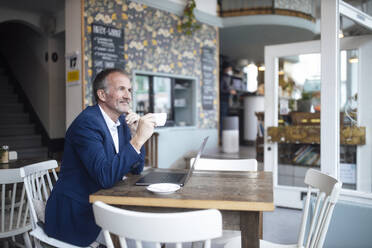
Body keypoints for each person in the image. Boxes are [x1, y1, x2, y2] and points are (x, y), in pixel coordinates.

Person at [44, 68, 156, 246]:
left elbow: (136, 169)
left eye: (129, 90)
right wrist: (138, 140)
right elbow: (105, 177)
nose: (128, 96)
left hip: (103, 202)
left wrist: (135, 135)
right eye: (121, 89)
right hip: (78, 214)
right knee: (145, 238)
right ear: (102, 94)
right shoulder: (86, 124)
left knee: (149, 229)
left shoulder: (119, 122)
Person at [220, 64, 236, 136]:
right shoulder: (222, 78)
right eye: (229, 69)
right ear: (225, 69)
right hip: (223, 100)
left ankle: (223, 135)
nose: (230, 71)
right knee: (223, 118)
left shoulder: (229, 78)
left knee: (225, 118)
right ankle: (221, 136)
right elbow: (220, 90)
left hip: (227, 100)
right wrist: (229, 91)